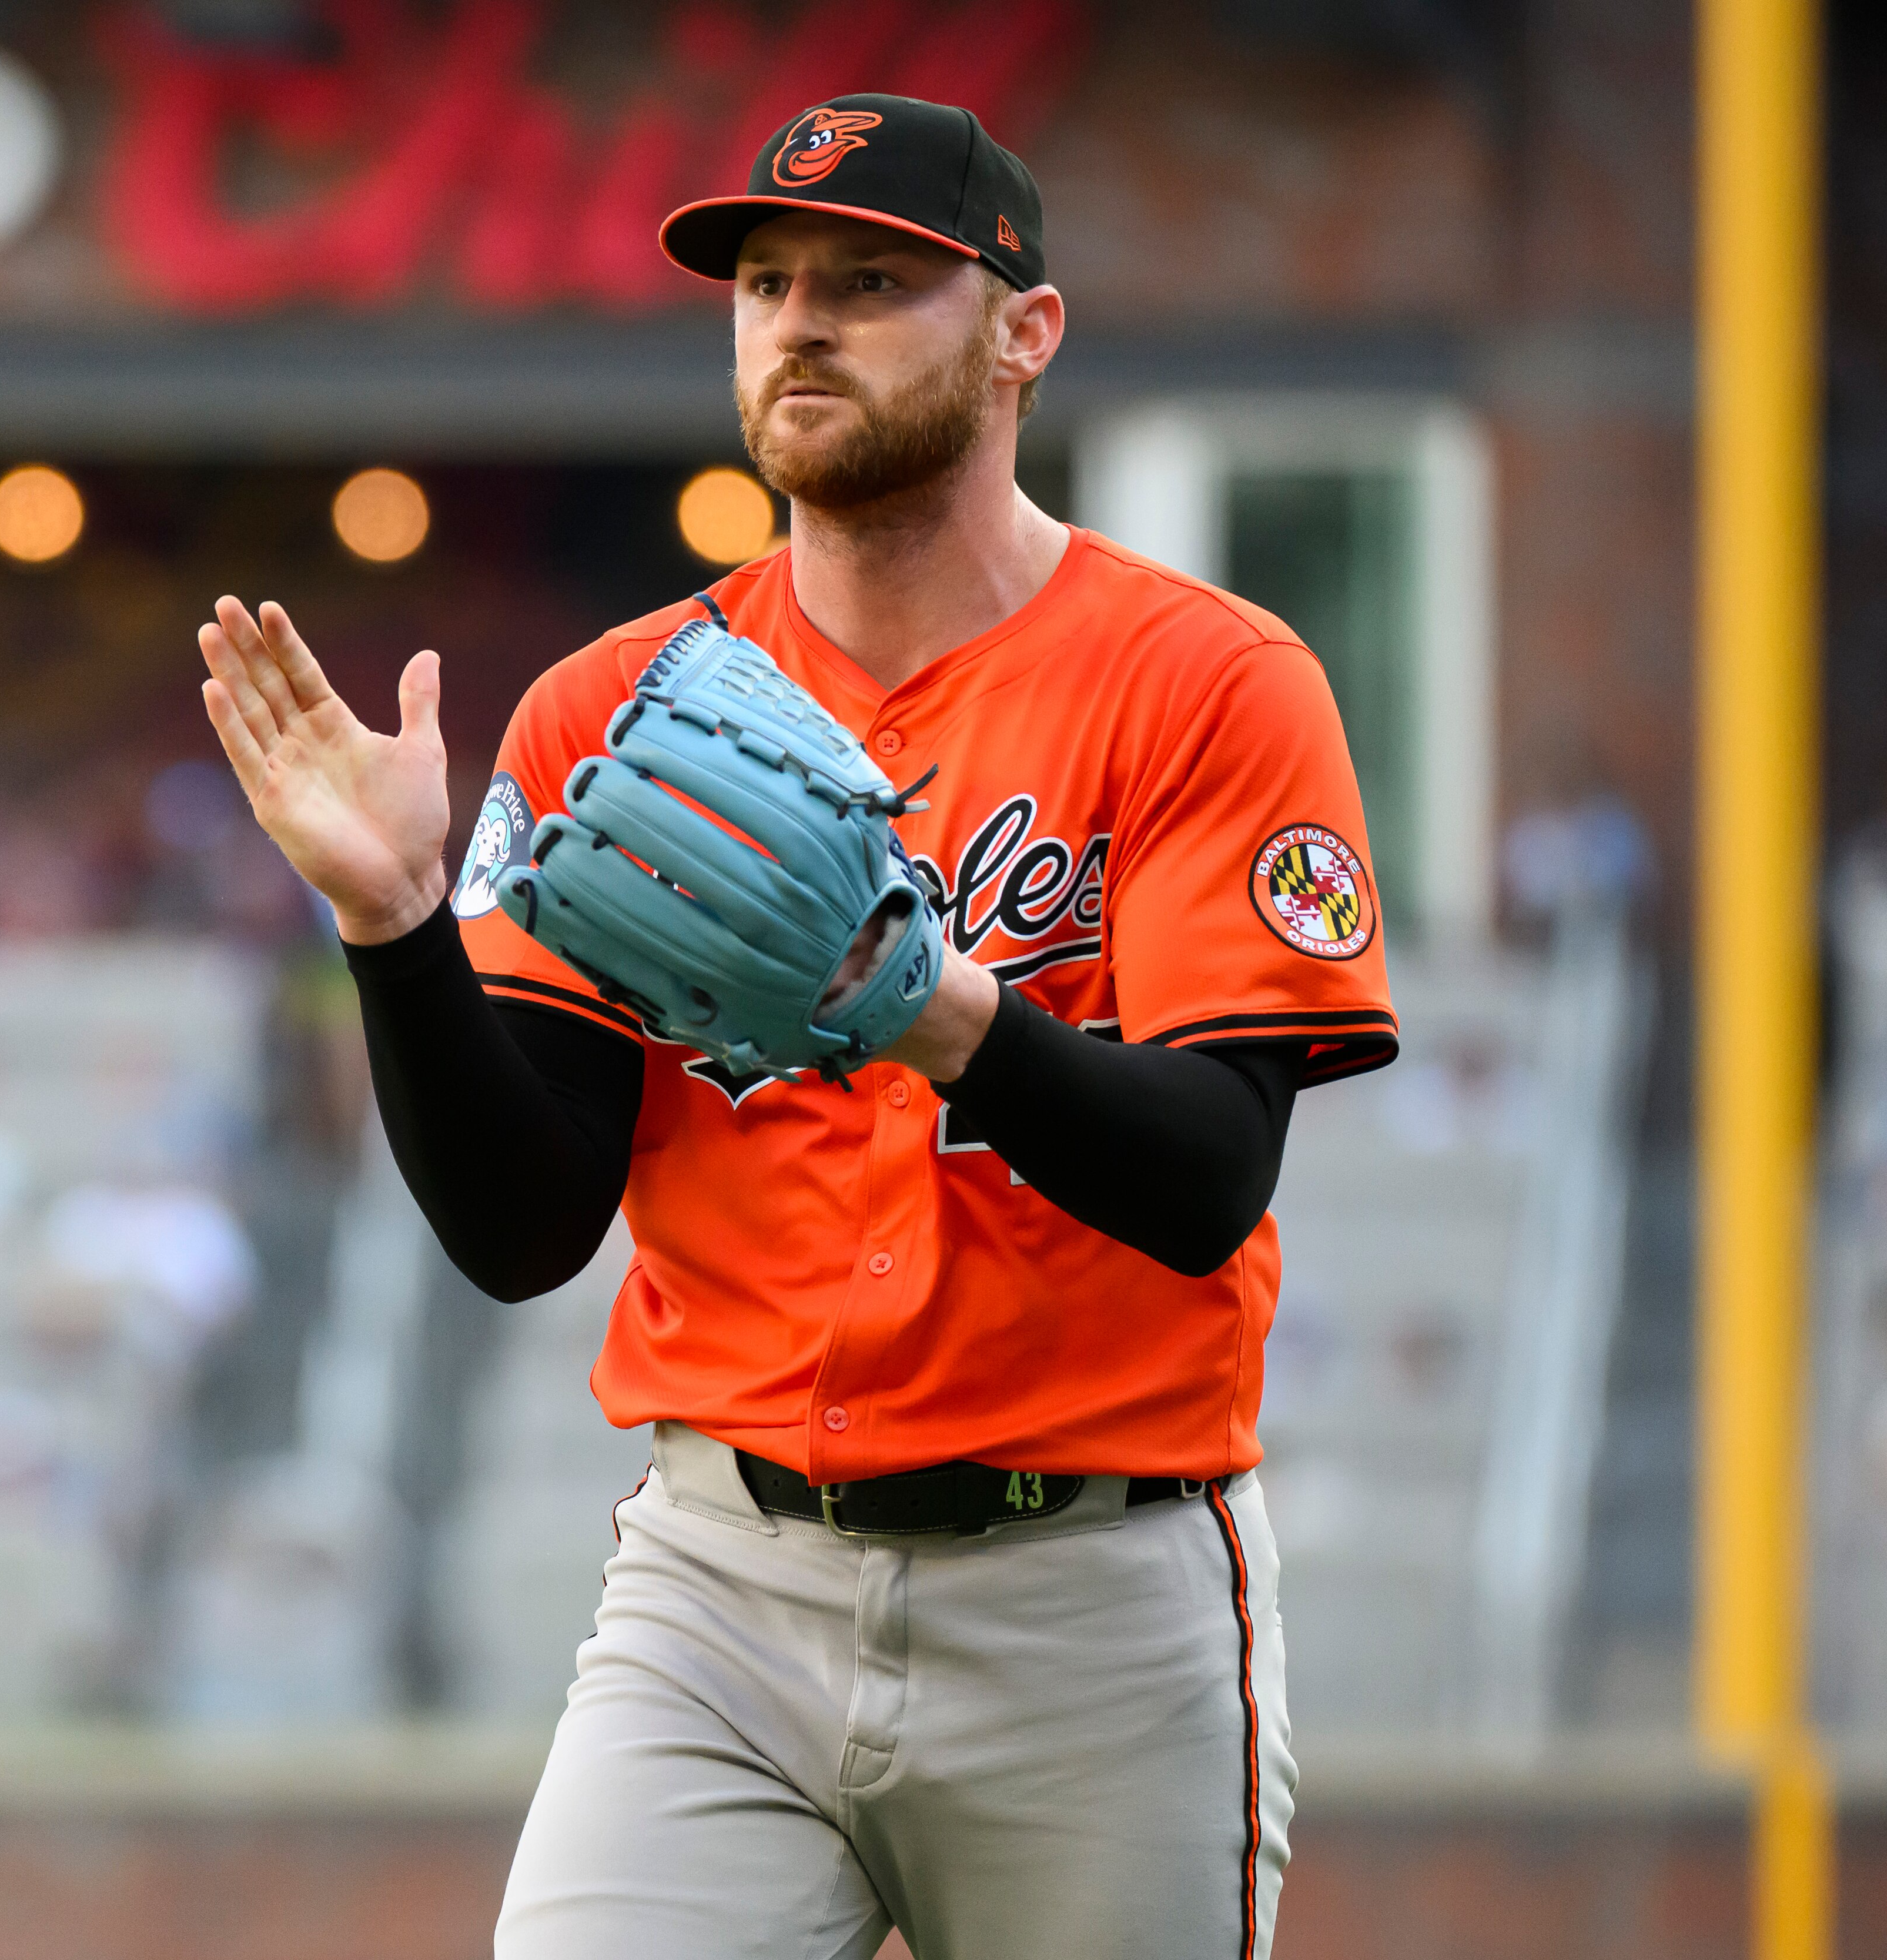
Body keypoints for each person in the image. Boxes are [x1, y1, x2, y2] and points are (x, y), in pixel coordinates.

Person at [198, 94, 1395, 1960]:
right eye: (764, 285)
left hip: (1089, 1591)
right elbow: (526, 1234)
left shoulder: (1210, 682)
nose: (799, 324)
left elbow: (1210, 1183)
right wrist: (396, 926)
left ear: (1026, 329)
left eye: (871, 280)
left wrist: (933, 1014)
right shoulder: (617, 708)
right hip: (719, 1587)